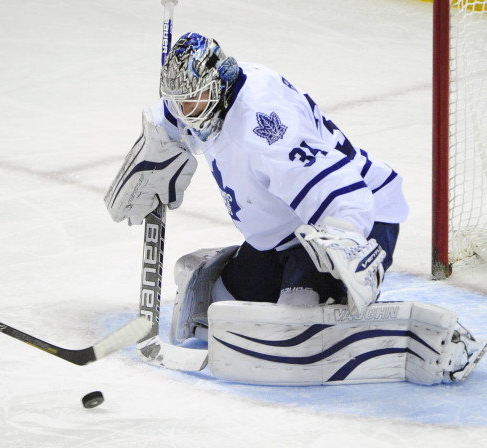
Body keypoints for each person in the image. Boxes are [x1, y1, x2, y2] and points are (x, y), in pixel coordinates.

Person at [104, 32, 485, 384]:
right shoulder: (208, 97)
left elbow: (341, 191)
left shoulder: (263, 127)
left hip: (353, 218)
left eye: (193, 101)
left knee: (294, 326)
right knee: (216, 314)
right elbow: (170, 118)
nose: (186, 112)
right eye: (178, 103)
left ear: (219, 83)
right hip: (288, 232)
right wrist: (156, 149)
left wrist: (346, 240)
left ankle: (399, 338)